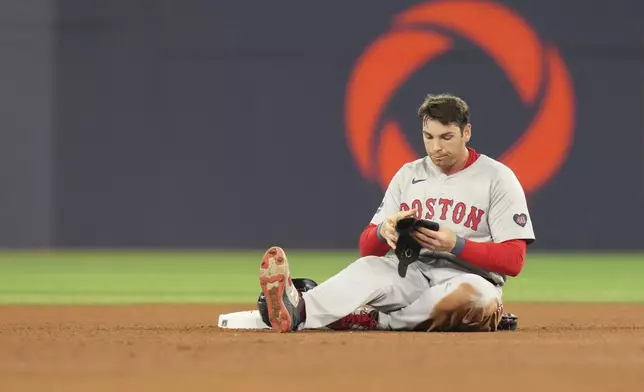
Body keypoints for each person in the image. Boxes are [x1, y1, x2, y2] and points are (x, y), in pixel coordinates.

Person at [258, 93, 535, 333]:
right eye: (429, 136)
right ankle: (298, 308)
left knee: (474, 300)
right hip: (413, 272)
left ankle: (377, 319)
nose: (436, 147)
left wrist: (456, 244)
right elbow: (368, 249)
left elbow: (514, 260)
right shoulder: (409, 174)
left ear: (467, 133)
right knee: (371, 268)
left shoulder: (497, 177)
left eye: (446, 137)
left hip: (471, 280)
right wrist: (383, 231)